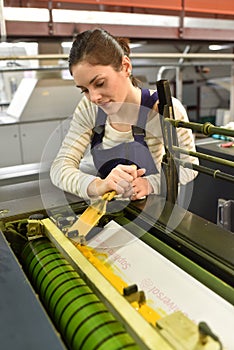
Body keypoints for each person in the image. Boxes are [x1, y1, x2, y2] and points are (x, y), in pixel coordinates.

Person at [50, 28, 198, 201]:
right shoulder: (89, 109)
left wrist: (150, 184)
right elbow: (60, 167)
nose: (94, 97)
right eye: (84, 90)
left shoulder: (163, 109)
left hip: (153, 211)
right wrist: (97, 185)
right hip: (108, 211)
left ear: (125, 67)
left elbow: (189, 167)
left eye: (99, 83)